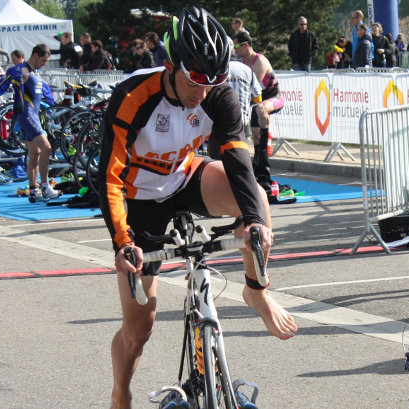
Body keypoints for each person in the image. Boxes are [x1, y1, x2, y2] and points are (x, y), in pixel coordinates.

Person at [100, 8, 297, 408]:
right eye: (195, 79)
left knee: (256, 198)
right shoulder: (134, 95)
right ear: (171, 65)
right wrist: (123, 241)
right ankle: (121, 391)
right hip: (138, 198)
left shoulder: (217, 94)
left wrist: (255, 223)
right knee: (140, 328)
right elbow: (110, 177)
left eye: (213, 80)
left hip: (185, 177)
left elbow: (239, 159)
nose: (202, 91)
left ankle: (255, 289)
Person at [0, 44, 59, 202]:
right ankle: (45, 187)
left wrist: (55, 108)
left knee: (35, 153)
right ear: (36, 55)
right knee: (47, 147)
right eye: (44, 60)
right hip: (25, 115)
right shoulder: (19, 70)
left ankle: (33, 190)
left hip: (35, 116)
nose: (45, 64)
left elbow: (46, 92)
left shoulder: (36, 74)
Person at [234, 32, 288, 201]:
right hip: (256, 103)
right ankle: (259, 170)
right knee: (256, 137)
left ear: (245, 45)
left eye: (236, 47)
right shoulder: (241, 63)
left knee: (262, 108)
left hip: (273, 98)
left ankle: (264, 172)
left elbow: (253, 87)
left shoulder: (260, 61)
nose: (235, 51)